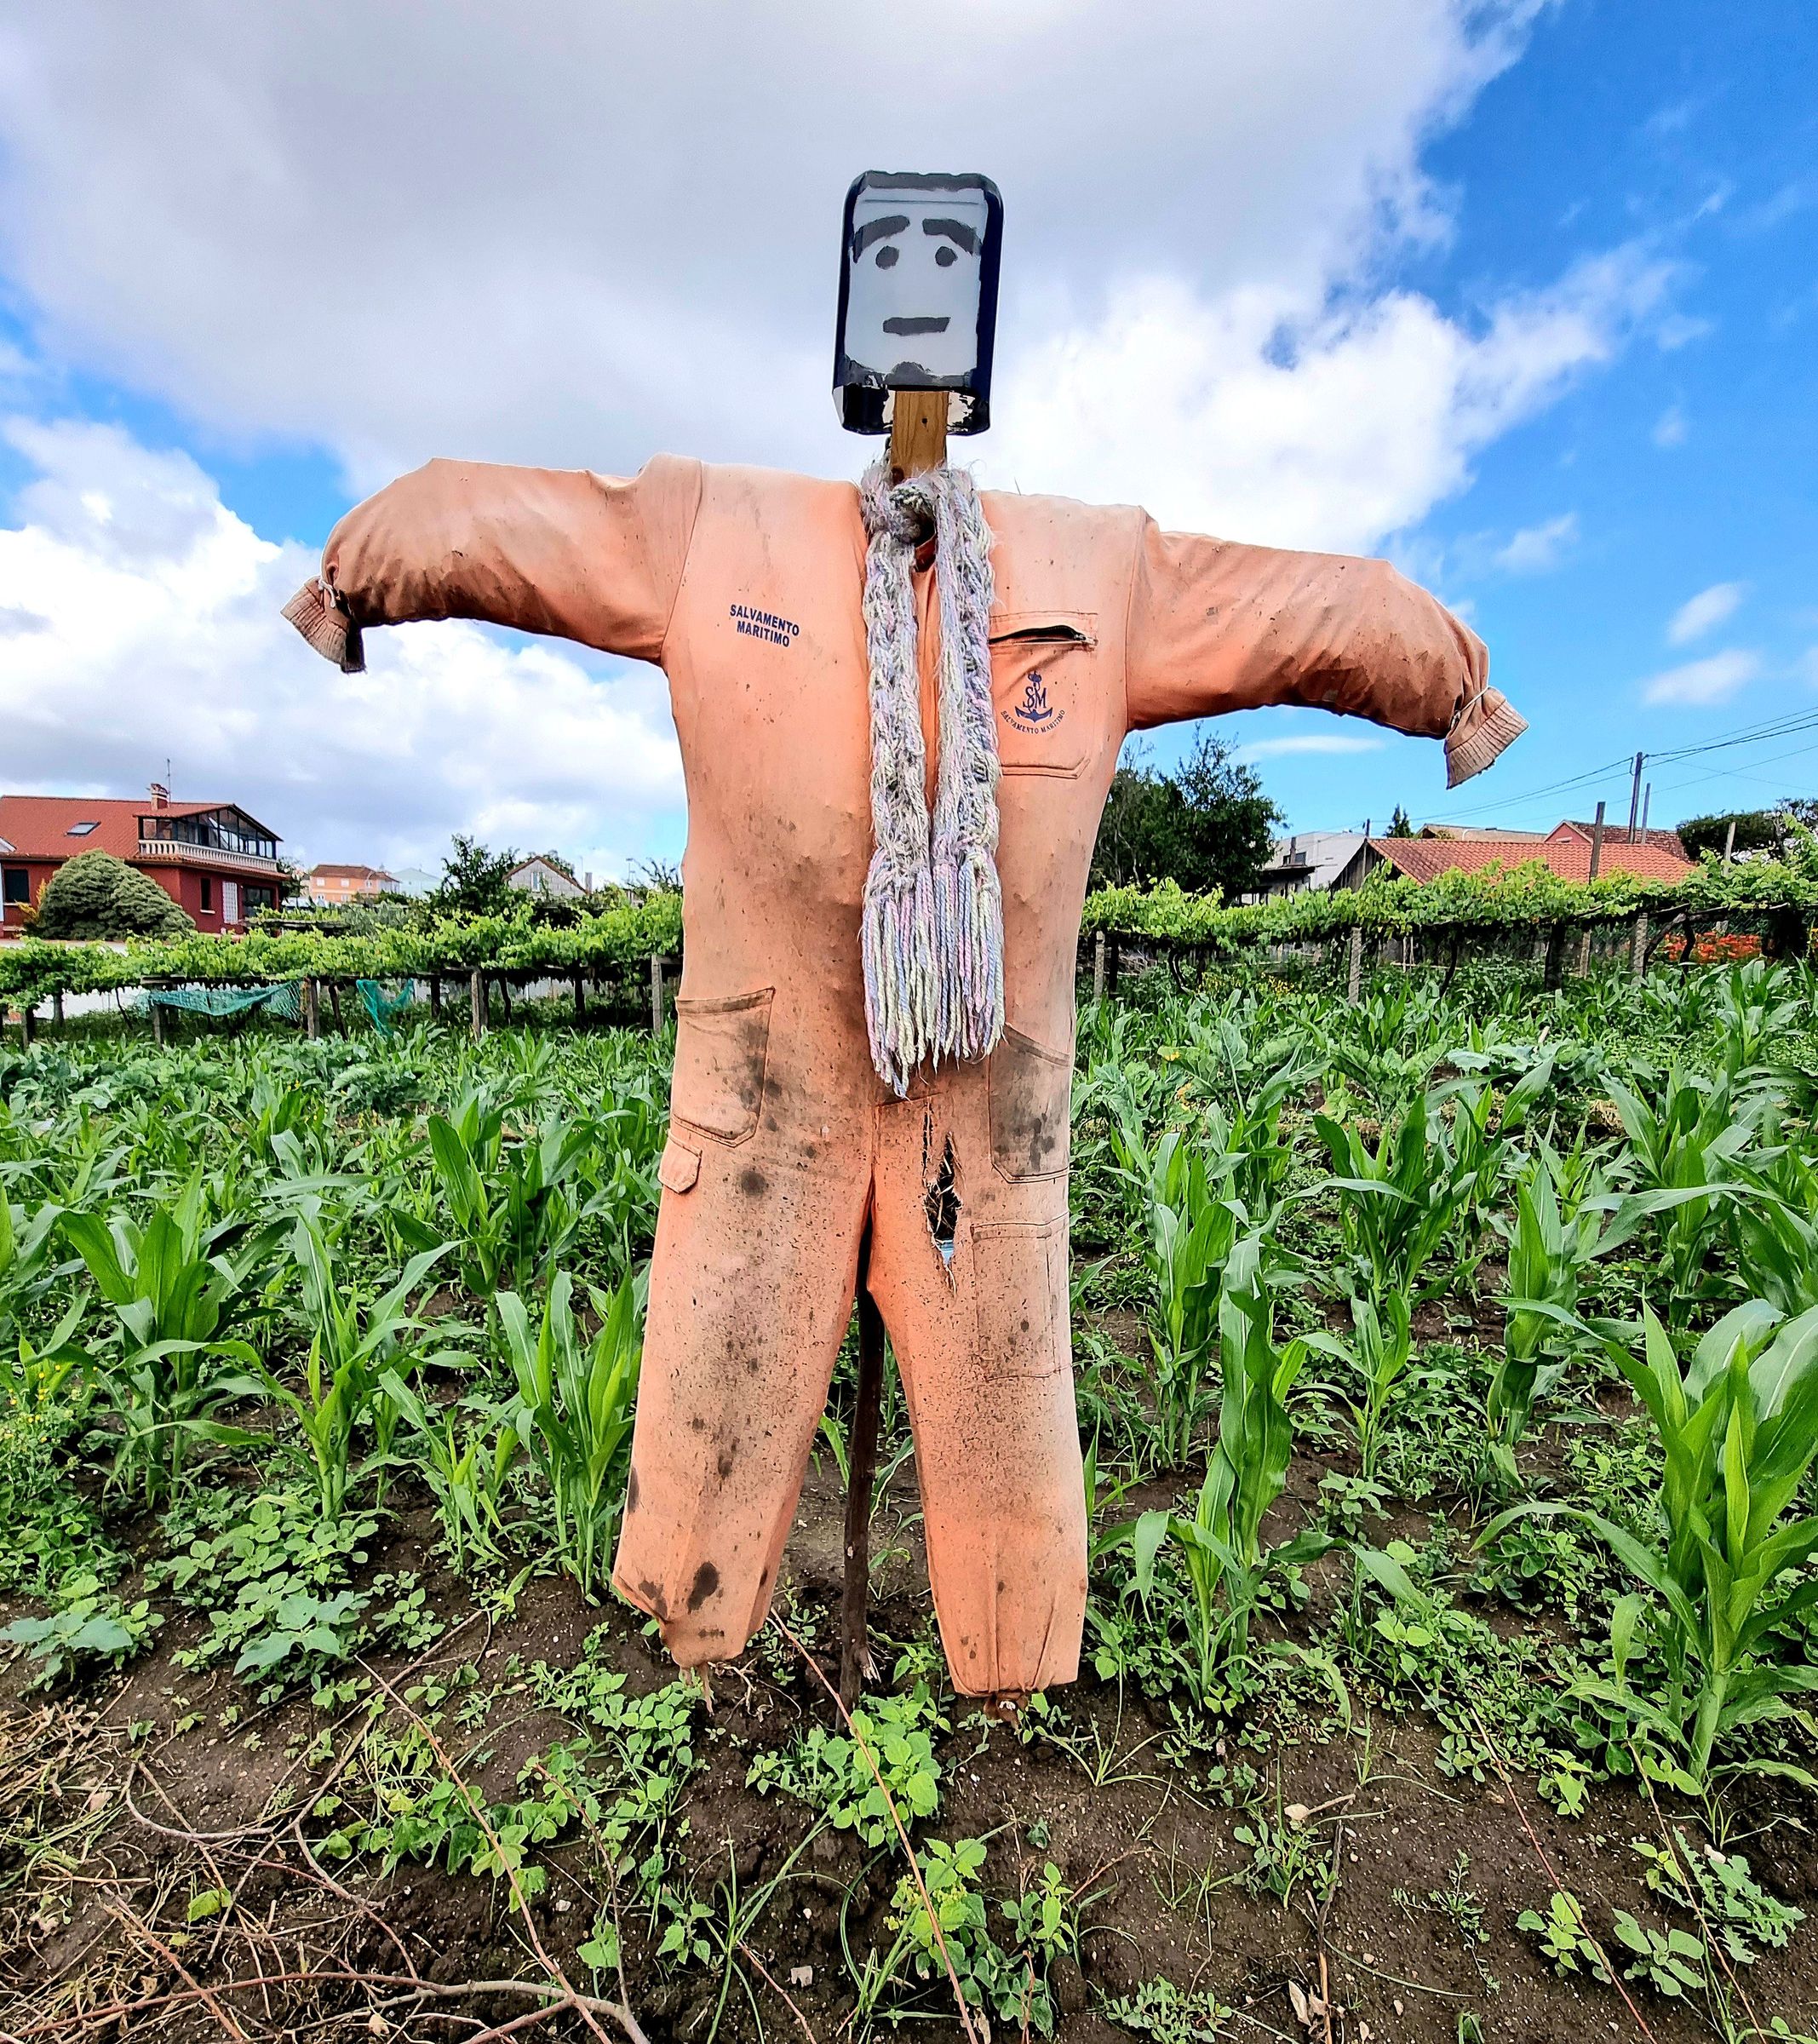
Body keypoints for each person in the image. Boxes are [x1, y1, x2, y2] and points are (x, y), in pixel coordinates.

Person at [285, 448, 1522, 1702]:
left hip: (986, 1107)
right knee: (713, 1424)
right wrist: (356, 578)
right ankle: (701, 1628)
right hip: (762, 1089)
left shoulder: (1097, 570)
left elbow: (1300, 612)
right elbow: (513, 525)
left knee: (1009, 1453)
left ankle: (1006, 1658)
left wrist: (1453, 686)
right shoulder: (719, 533)